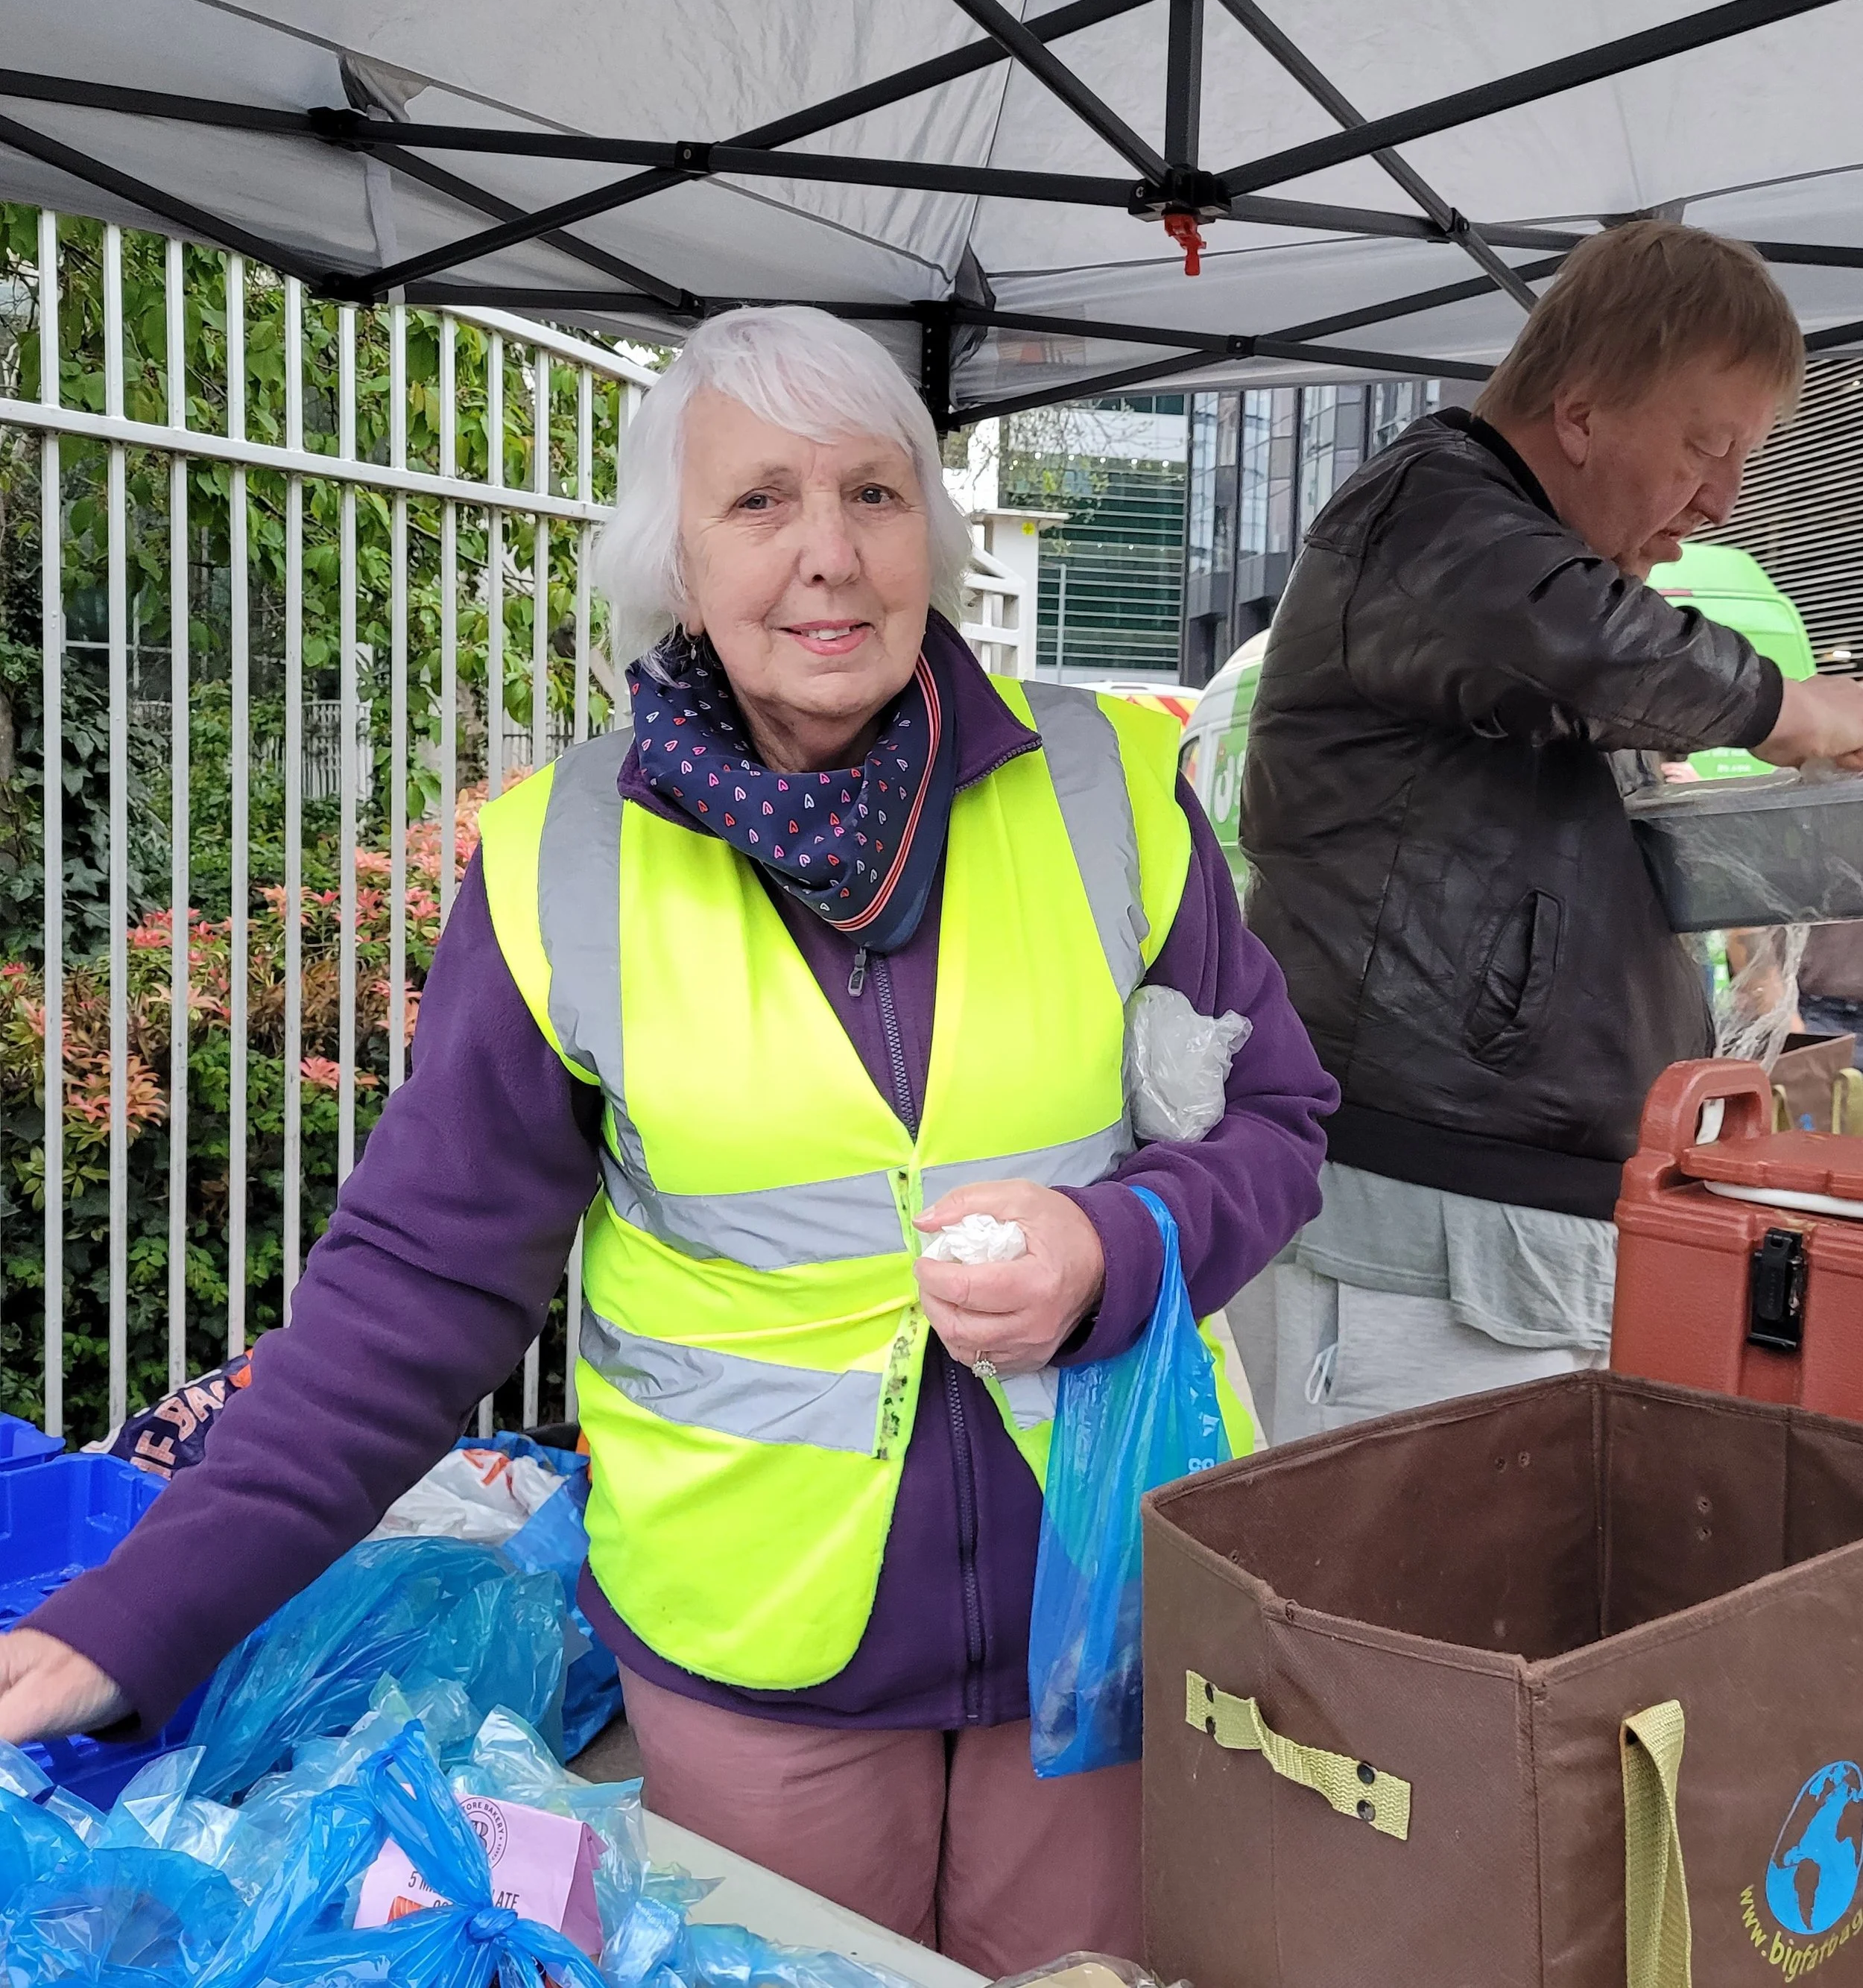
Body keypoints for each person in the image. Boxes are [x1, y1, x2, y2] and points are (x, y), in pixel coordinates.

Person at [0, 308, 1335, 1972]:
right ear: (674, 563)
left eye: (871, 492)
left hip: (1096, 1604)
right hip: (754, 1653)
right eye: (759, 503)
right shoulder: (558, 861)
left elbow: (1277, 1116)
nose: (828, 557)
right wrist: (128, 1621)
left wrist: (1116, 1245)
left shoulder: (1107, 785)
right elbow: (414, 1290)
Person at [1234, 222, 1863, 1444]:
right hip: (1417, 1221)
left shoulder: (1519, 556)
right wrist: (1798, 710)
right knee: (1414, 1605)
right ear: (1580, 411)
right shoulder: (1433, 521)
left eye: (1748, 455)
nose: (1724, 497)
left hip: (1503, 1212)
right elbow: (1583, 638)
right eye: (1704, 445)